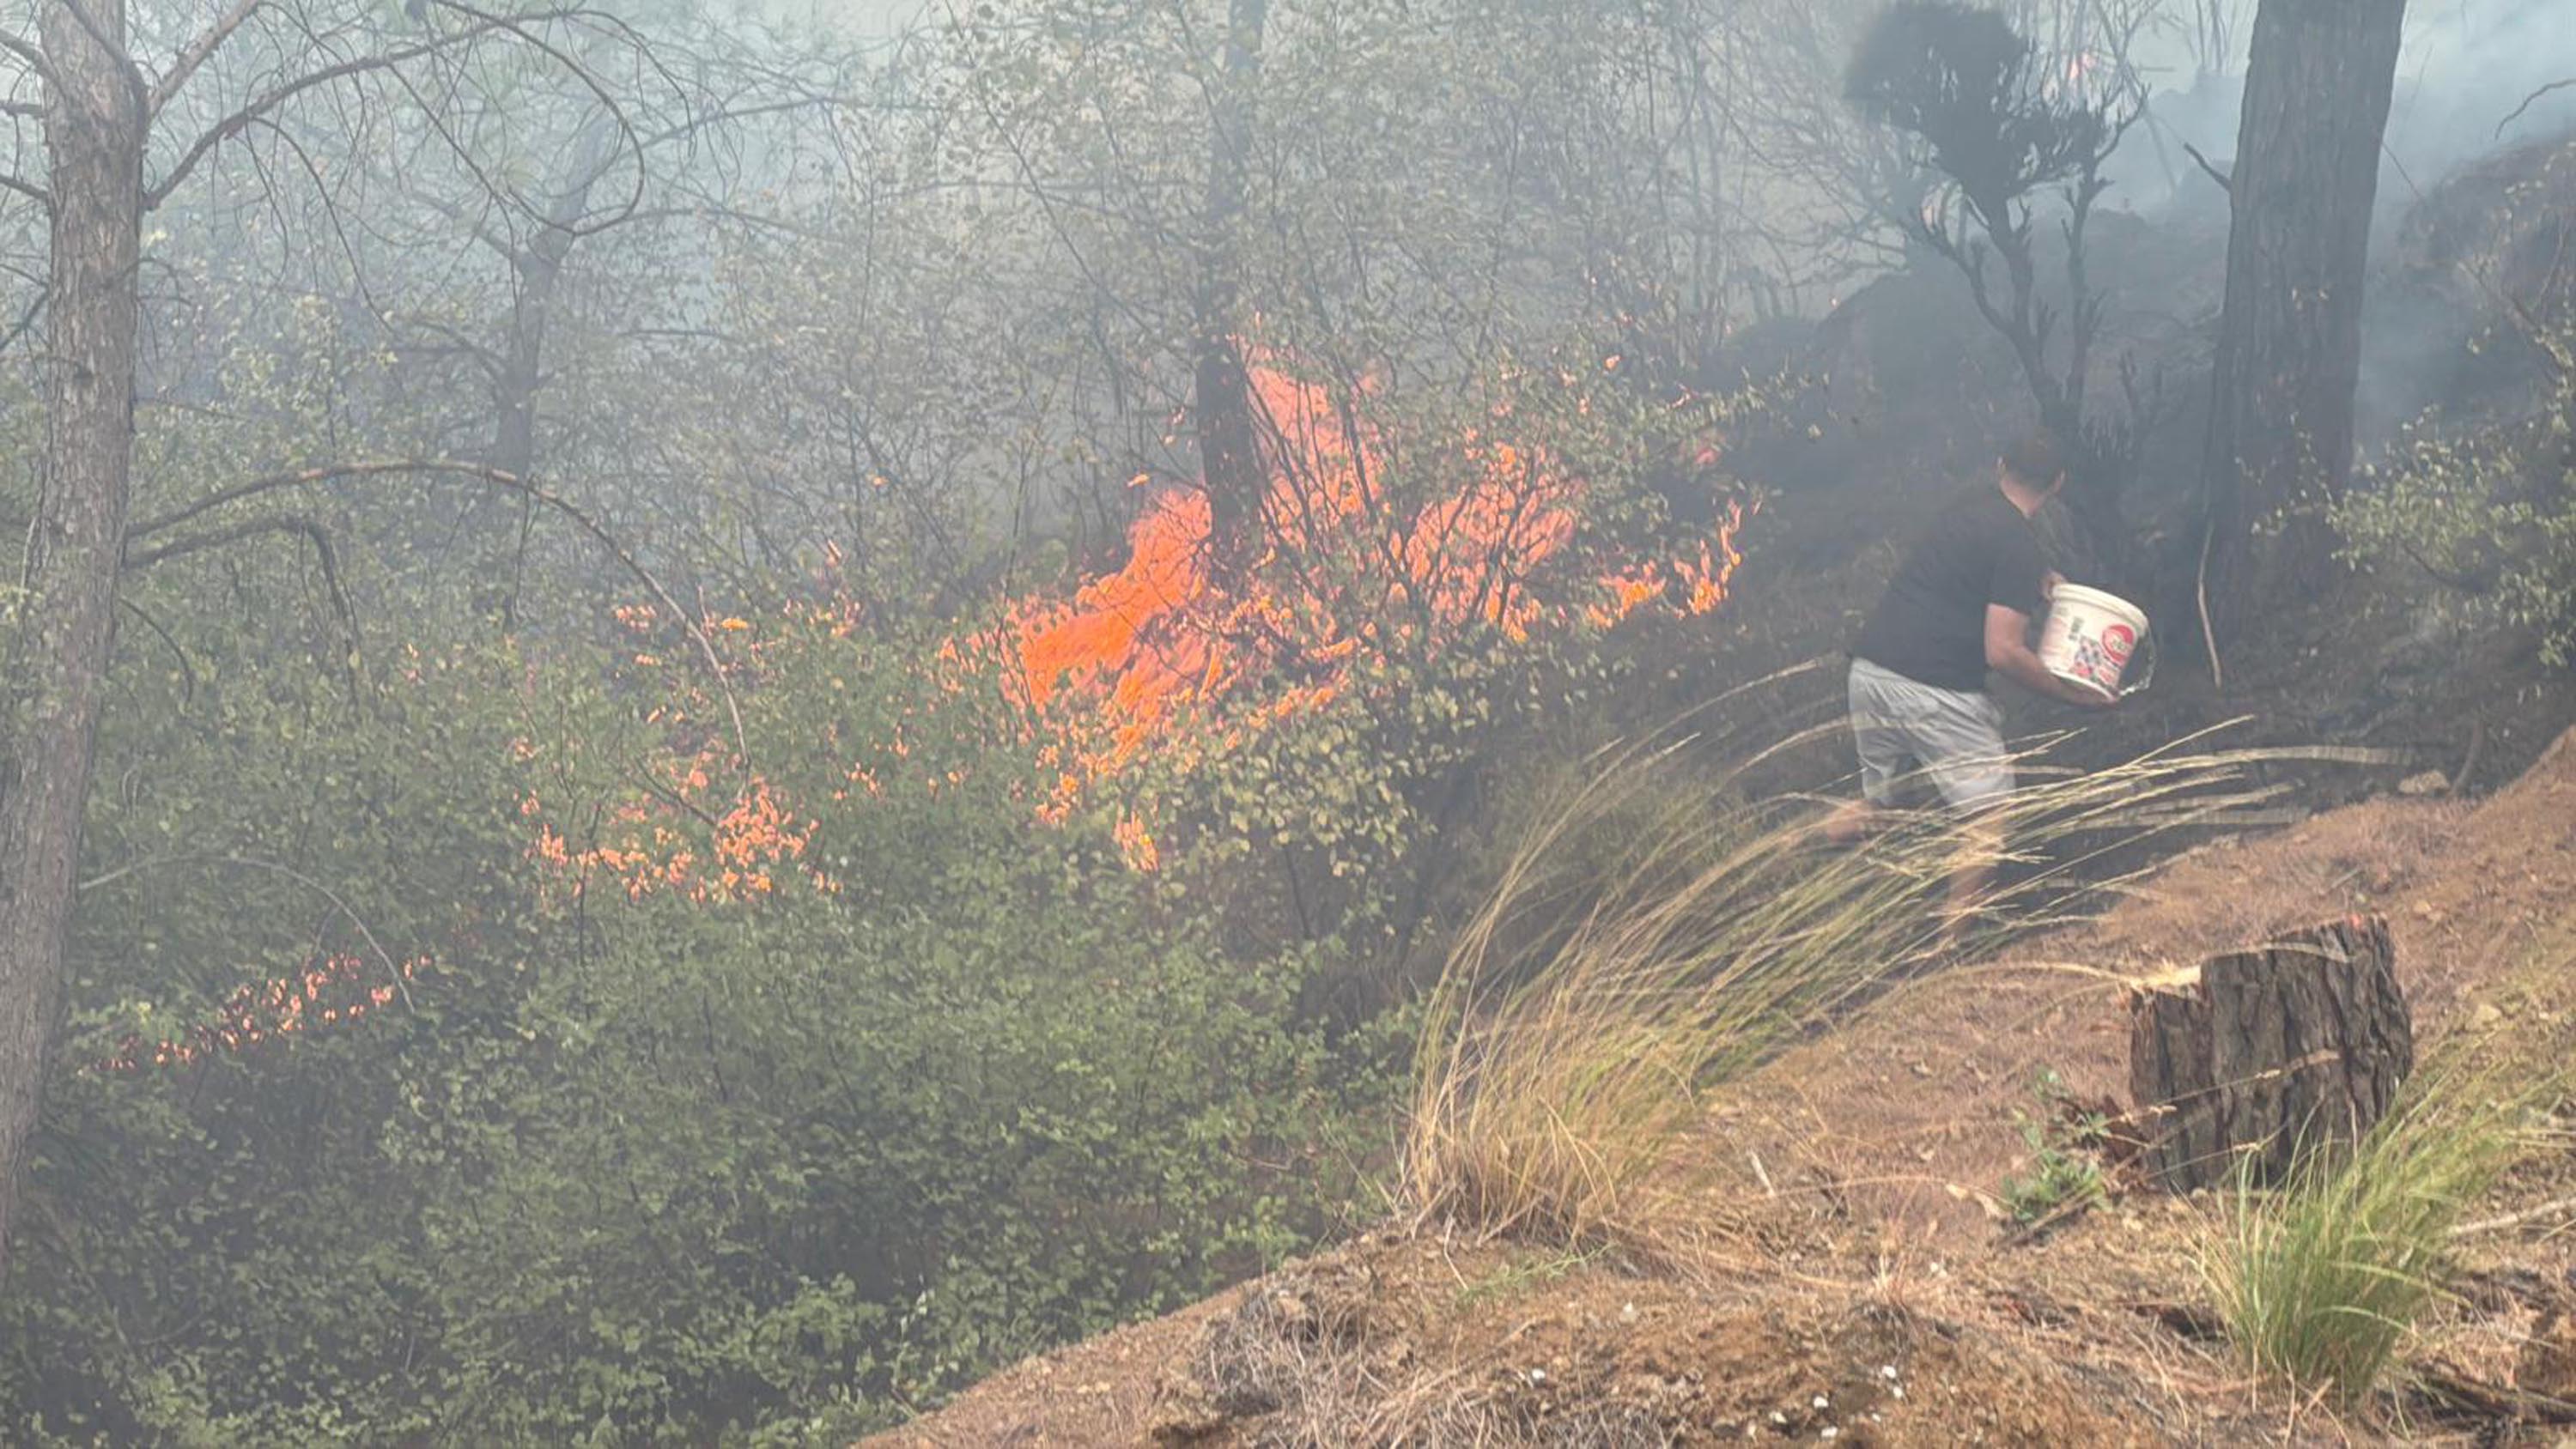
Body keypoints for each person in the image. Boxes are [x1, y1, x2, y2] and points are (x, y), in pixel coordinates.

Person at [1824, 429, 2114, 939]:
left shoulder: (1967, 507)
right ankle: (1949, 950)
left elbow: (1974, 562)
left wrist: (2040, 577)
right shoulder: (2017, 544)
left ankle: (1778, 855)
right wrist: (2076, 695)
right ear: (2058, 484)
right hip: (1932, 689)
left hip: (1871, 672)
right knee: (1988, 813)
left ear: (2001, 465)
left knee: (1880, 805)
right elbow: (2003, 652)